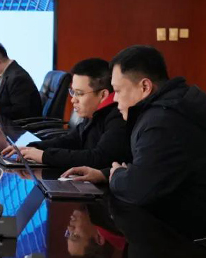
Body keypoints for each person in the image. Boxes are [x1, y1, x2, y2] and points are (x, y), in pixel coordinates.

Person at [62, 45, 206, 241]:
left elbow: (136, 189)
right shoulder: (169, 107)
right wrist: (104, 174)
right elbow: (150, 167)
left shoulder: (162, 122)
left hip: (184, 239)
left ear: (145, 87)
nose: (115, 100)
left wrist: (117, 175)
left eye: (118, 91)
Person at [1, 58, 131, 170]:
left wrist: (44, 156)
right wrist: (32, 147)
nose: (73, 99)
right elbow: (72, 140)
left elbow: (98, 158)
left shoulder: (118, 116)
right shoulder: (93, 111)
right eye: (73, 92)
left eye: (79, 93)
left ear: (103, 95)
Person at [0, 39, 42, 120]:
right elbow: (2, 102)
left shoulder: (17, 78)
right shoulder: (5, 73)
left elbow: (19, 113)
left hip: (20, 127)